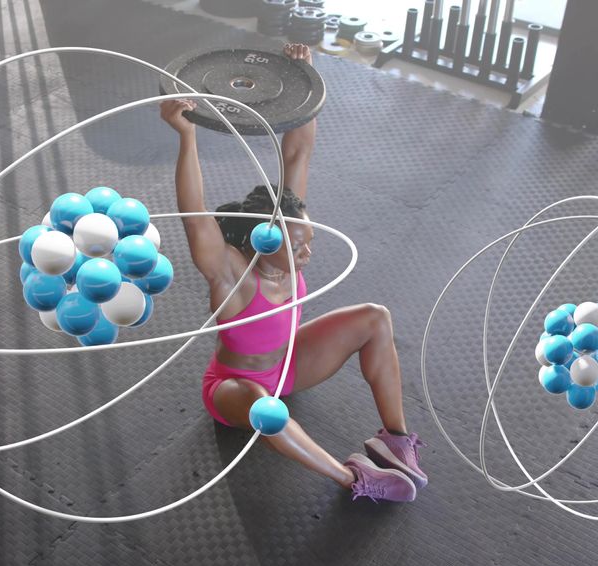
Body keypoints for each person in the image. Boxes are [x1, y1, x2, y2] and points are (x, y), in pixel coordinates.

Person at [159, 43, 426, 503]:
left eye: (308, 239)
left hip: (288, 367)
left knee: (375, 317)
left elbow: (298, 153)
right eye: (296, 244)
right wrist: (187, 136)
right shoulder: (232, 274)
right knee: (267, 412)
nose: (307, 251)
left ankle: (395, 439)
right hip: (237, 389)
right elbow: (194, 215)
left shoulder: (287, 220)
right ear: (262, 241)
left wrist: (303, 83)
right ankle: (353, 479)